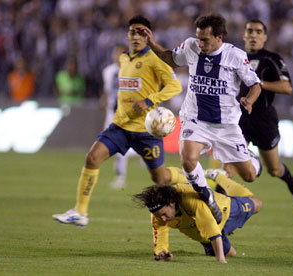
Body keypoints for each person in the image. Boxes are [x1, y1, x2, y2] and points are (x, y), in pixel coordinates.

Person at [52, 15, 183, 227]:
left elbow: (175, 87)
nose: (136, 37)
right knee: (92, 158)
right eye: (133, 32)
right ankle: (80, 212)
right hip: (120, 126)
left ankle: (185, 177)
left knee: (161, 178)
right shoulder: (124, 58)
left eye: (142, 33)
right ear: (127, 35)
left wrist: (150, 100)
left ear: (149, 36)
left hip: (146, 131)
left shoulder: (155, 59)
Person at [138, 13, 262, 223]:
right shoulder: (191, 46)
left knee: (249, 175)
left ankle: (251, 157)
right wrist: (151, 43)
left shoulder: (235, 56)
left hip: (226, 125)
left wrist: (249, 100)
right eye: (199, 38)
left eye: (205, 39)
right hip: (195, 119)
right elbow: (171, 58)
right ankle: (207, 196)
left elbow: (255, 85)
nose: (200, 43)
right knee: (187, 158)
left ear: (219, 37)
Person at [230, 19, 293, 210]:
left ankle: (292, 182)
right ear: (244, 35)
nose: (253, 35)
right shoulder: (233, 57)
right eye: (250, 31)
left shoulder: (272, 59)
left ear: (265, 37)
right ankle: (220, 212)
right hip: (238, 119)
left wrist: (257, 83)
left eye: (258, 32)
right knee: (230, 166)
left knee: (274, 169)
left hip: (263, 120)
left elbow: (287, 87)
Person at [133, 168, 262, 263]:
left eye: (164, 214)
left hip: (225, 211)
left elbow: (209, 224)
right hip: (202, 233)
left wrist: (220, 259)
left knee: (257, 204)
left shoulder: (189, 199)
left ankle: (220, 178)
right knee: (231, 254)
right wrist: (162, 252)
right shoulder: (158, 213)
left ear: (172, 202)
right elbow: (160, 235)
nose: (163, 219)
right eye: (158, 216)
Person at [100, 44, 139, 190]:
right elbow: (107, 90)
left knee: (118, 145)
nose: (117, 56)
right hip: (111, 113)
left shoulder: (133, 70)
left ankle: (120, 178)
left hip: (126, 114)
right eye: (115, 53)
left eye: (120, 53)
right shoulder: (108, 71)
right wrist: (103, 101)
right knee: (107, 144)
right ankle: (138, 152)